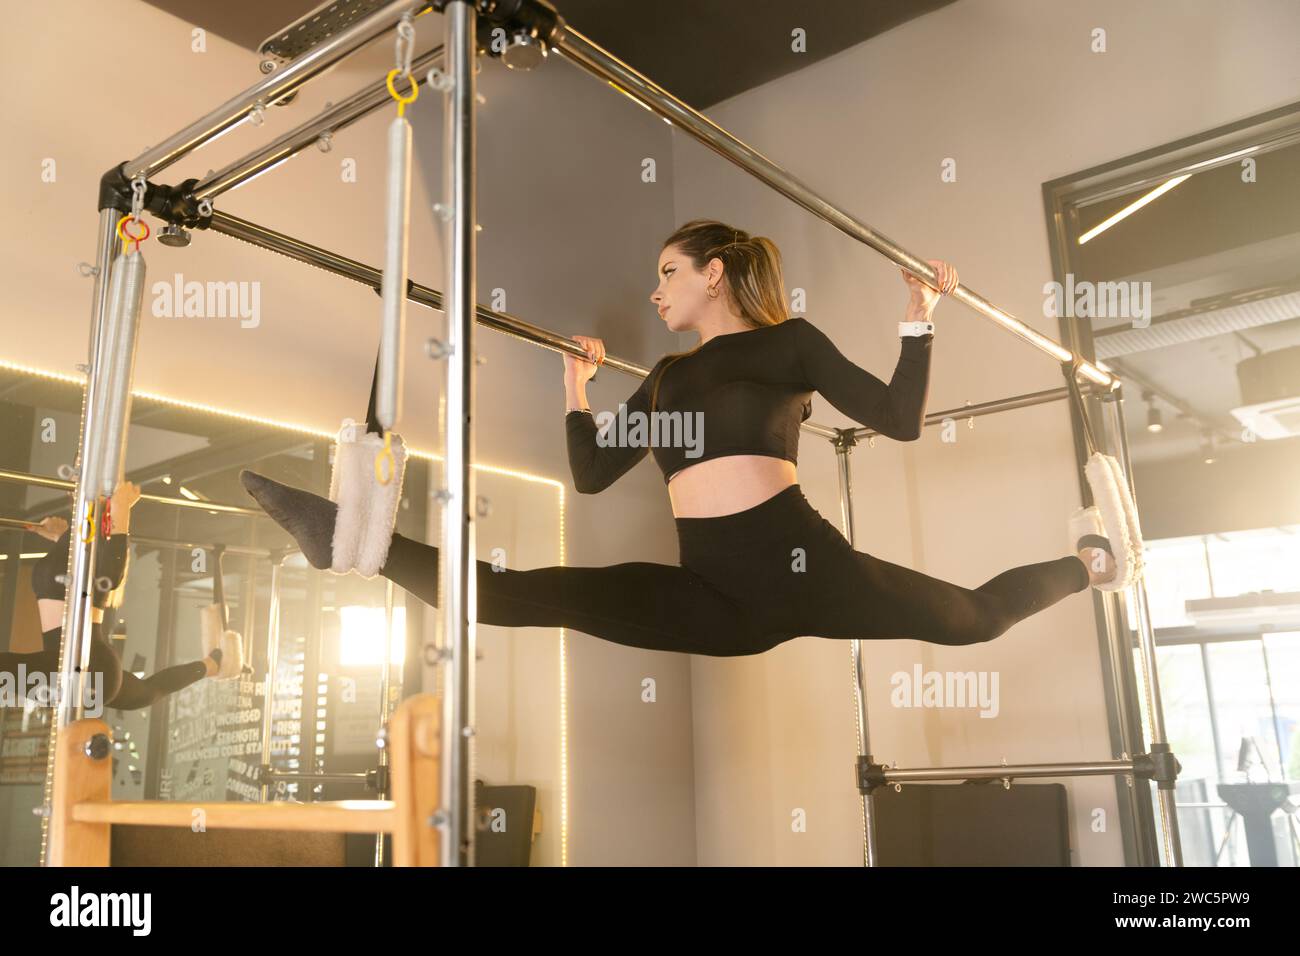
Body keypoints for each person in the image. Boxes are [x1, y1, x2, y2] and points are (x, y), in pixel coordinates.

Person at [240, 219, 1119, 658]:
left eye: (668, 274)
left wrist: (918, 319)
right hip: (718, 597)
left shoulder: (789, 345)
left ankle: (1093, 562)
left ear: (716, 273)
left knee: (976, 620)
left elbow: (897, 420)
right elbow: (589, 476)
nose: (657, 291)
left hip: (802, 566)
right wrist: (575, 390)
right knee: (521, 597)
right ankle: (357, 547)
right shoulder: (661, 379)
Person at [0, 481, 243, 711]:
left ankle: (211, 666)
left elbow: (110, 575)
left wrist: (121, 512)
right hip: (88, 667)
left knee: (146, 693)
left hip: (79, 667)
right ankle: (211, 665)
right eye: (74, 480)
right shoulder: (83, 538)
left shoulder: (93, 539)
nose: (73, 489)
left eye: (78, 478)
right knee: (147, 692)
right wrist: (62, 536)